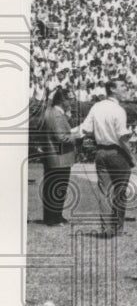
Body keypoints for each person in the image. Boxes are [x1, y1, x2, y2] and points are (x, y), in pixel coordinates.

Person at [74, 78, 135, 237]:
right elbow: (122, 138)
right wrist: (131, 156)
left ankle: (106, 229)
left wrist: (68, 134)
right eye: (122, 86)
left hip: (100, 152)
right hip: (117, 153)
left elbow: (85, 129)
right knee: (120, 192)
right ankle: (118, 228)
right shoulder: (119, 110)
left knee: (104, 191)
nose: (125, 88)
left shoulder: (97, 106)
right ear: (113, 89)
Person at [40, 88, 76, 226]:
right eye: (70, 99)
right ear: (63, 100)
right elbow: (61, 137)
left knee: (53, 188)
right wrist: (76, 136)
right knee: (57, 188)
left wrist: (67, 118)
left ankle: (55, 216)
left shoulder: (51, 112)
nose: (71, 102)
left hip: (53, 157)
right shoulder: (56, 115)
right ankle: (53, 218)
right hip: (59, 157)